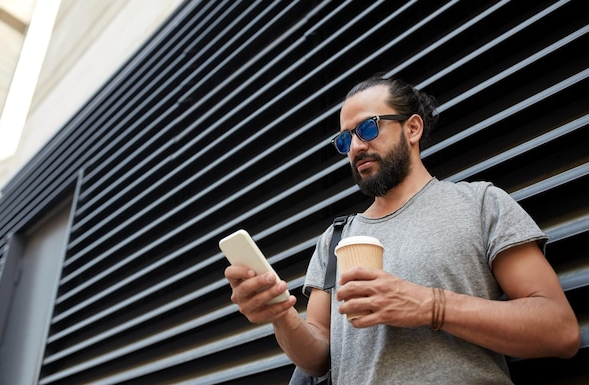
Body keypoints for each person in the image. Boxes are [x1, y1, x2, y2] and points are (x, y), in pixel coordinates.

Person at [224, 75, 580, 383]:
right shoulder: (335, 238)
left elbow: (558, 330)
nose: (357, 147)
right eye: (346, 140)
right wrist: (281, 315)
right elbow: (318, 357)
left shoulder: (480, 203)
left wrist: (429, 305)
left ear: (412, 128)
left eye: (367, 128)